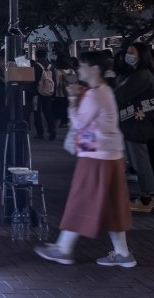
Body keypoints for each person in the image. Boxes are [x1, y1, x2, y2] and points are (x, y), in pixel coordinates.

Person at [35, 51, 135, 268]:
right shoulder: (103, 91)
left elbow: (79, 123)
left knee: (82, 200)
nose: (79, 70)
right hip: (109, 154)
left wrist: (72, 100)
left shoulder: (96, 94)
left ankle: (63, 249)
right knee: (111, 205)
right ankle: (122, 253)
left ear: (94, 69)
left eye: (82, 66)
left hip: (96, 155)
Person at [114, 42, 154, 213]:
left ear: (141, 55)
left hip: (138, 124)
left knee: (140, 161)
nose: (127, 55)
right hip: (133, 122)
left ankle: (148, 197)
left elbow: (120, 95)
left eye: (131, 53)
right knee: (138, 160)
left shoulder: (142, 76)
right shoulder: (136, 74)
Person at [33, 48, 57, 140]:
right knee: (48, 113)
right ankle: (52, 130)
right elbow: (54, 80)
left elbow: (33, 81)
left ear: (36, 56)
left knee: (37, 113)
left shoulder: (35, 66)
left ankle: (40, 133)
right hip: (48, 93)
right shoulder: (51, 66)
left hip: (37, 94)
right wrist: (53, 91)